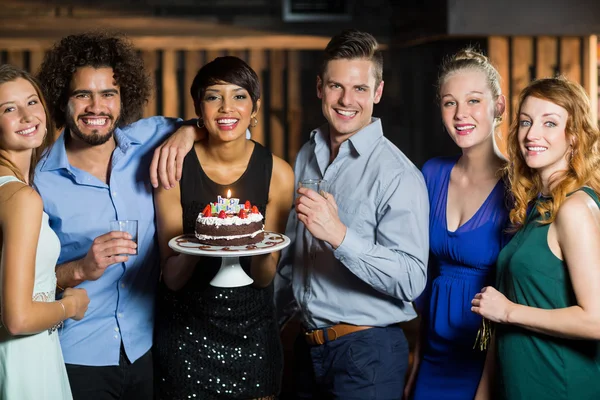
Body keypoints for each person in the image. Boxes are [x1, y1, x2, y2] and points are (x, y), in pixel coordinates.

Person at [34, 32, 201, 400]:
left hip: (147, 349)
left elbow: (219, 124)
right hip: (77, 357)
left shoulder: (151, 139)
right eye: (83, 95)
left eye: (108, 94)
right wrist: (79, 269)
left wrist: (188, 131)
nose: (97, 107)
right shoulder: (39, 182)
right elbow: (23, 286)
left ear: (123, 99)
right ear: (63, 99)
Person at [275, 29, 429, 398]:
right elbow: (291, 258)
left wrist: (340, 236)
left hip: (367, 355)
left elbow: (411, 279)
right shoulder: (306, 155)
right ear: (319, 88)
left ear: (377, 92)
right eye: (336, 86)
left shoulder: (398, 173)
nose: (346, 100)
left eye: (360, 88)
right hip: (306, 348)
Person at [153, 56, 294, 399]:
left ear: (254, 107)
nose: (226, 107)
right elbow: (171, 277)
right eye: (213, 96)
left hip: (254, 331)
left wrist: (257, 243)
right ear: (198, 108)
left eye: (239, 96)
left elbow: (264, 276)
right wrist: (203, 239)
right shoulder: (174, 169)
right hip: (186, 333)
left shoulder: (278, 173)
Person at [471, 77, 600, 400]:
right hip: (521, 383)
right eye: (526, 122)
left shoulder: (574, 209)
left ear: (573, 137)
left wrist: (508, 311)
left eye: (550, 123)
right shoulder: (537, 208)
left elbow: (596, 320)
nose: (532, 134)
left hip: (560, 385)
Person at [404, 49, 511, 400]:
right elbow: (429, 274)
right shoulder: (432, 173)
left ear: (499, 106)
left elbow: (511, 292)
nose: (461, 114)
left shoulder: (518, 188)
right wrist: (417, 363)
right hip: (433, 355)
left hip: (482, 361)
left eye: (474, 100)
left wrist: (485, 388)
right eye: (450, 103)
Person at [0, 64, 89, 399]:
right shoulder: (21, 198)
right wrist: (71, 306)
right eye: (9, 109)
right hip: (24, 358)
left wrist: (74, 272)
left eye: (32, 102)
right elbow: (18, 319)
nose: (27, 116)